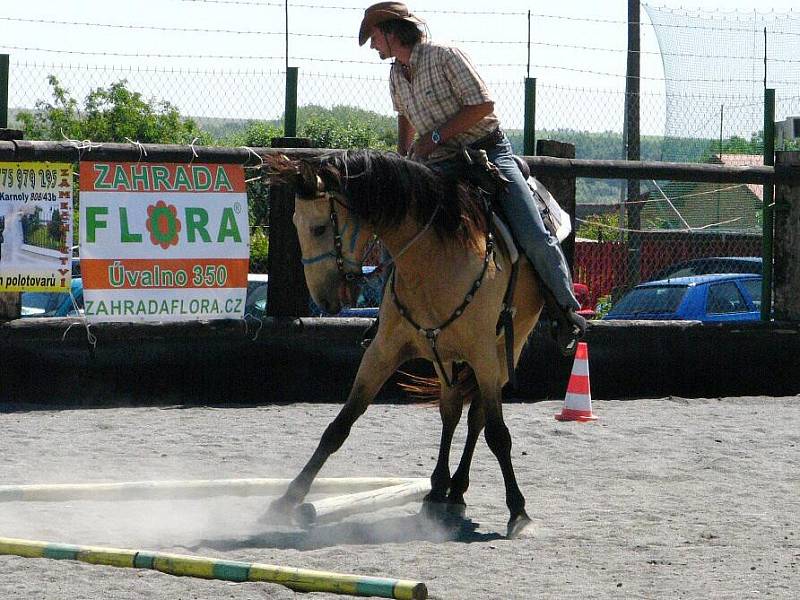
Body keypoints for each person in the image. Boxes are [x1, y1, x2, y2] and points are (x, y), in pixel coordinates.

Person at [358, 1, 585, 356]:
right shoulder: (395, 74)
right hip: (440, 162)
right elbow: (404, 116)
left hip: (487, 153)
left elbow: (483, 107)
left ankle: (565, 310)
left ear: (390, 31)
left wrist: (432, 139)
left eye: (373, 36)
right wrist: (404, 162)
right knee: (398, 226)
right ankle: (389, 319)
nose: (372, 46)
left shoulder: (445, 56)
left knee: (533, 232)